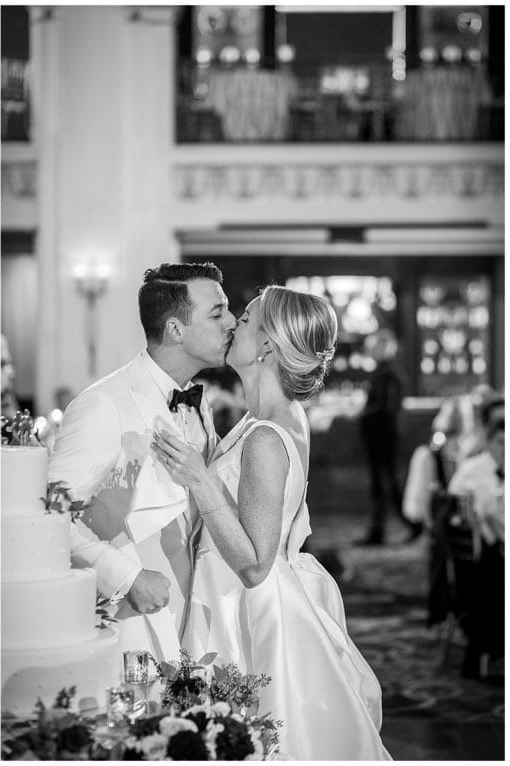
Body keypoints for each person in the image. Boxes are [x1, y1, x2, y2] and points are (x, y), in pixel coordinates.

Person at [152, 285, 390, 760]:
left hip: (245, 607)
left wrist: (201, 481)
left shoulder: (265, 435)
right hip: (247, 593)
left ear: (265, 345)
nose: (231, 324)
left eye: (244, 318)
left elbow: (256, 565)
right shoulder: (270, 418)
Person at [48, 262, 235, 661]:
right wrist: (126, 577)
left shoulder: (200, 407)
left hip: (195, 610)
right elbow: (50, 515)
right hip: (127, 621)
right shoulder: (104, 404)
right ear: (175, 329)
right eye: (217, 313)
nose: (232, 322)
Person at [447, 399, 504, 678]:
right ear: (490, 439)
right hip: (479, 559)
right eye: (501, 442)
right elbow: (456, 502)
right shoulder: (473, 469)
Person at [357, 329, 421, 545]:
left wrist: (362, 412)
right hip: (381, 434)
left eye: (374, 347)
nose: (371, 351)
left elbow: (387, 407)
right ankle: (384, 530)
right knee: (385, 484)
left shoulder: (388, 374)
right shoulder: (385, 372)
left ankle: (412, 524)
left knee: (387, 484)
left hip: (382, 435)